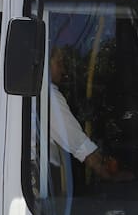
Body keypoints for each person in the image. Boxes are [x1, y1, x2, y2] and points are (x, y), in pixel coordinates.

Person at [47, 48, 119, 180]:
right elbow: (78, 143)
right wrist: (110, 173)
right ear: (45, 63)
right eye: (59, 63)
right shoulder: (48, 96)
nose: (63, 70)